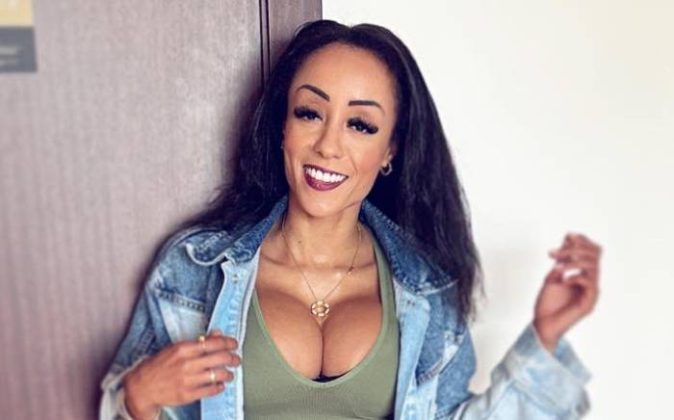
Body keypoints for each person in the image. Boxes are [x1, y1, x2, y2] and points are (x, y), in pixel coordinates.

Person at [99, 19, 602, 419]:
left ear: (390, 151)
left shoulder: (426, 289)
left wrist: (545, 337)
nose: (328, 145)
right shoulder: (196, 267)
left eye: (360, 124)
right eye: (309, 113)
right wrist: (137, 399)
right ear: (282, 127)